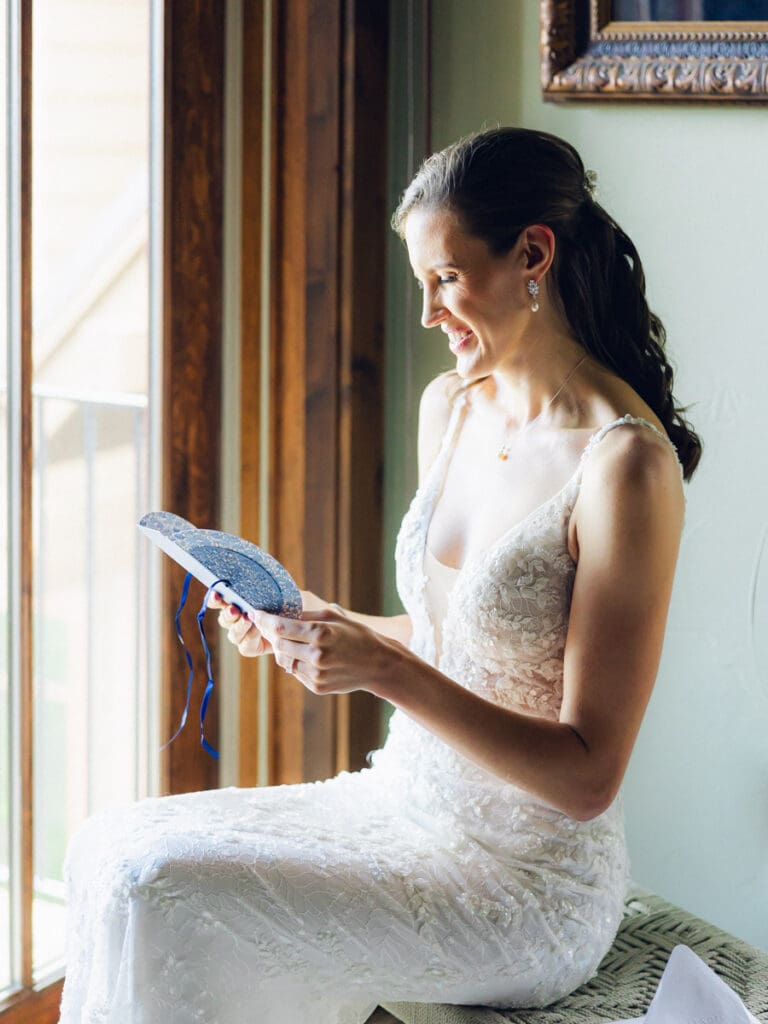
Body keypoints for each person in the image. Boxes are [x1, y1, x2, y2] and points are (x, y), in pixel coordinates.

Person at [59, 127, 701, 1024]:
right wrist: (322, 622)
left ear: (532, 254)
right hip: (400, 804)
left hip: (523, 888)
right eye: (421, 286)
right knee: (106, 849)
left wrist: (383, 671)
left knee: (163, 888)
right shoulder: (451, 406)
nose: (430, 314)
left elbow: (588, 775)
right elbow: (463, 640)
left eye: (445, 279)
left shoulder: (624, 466)